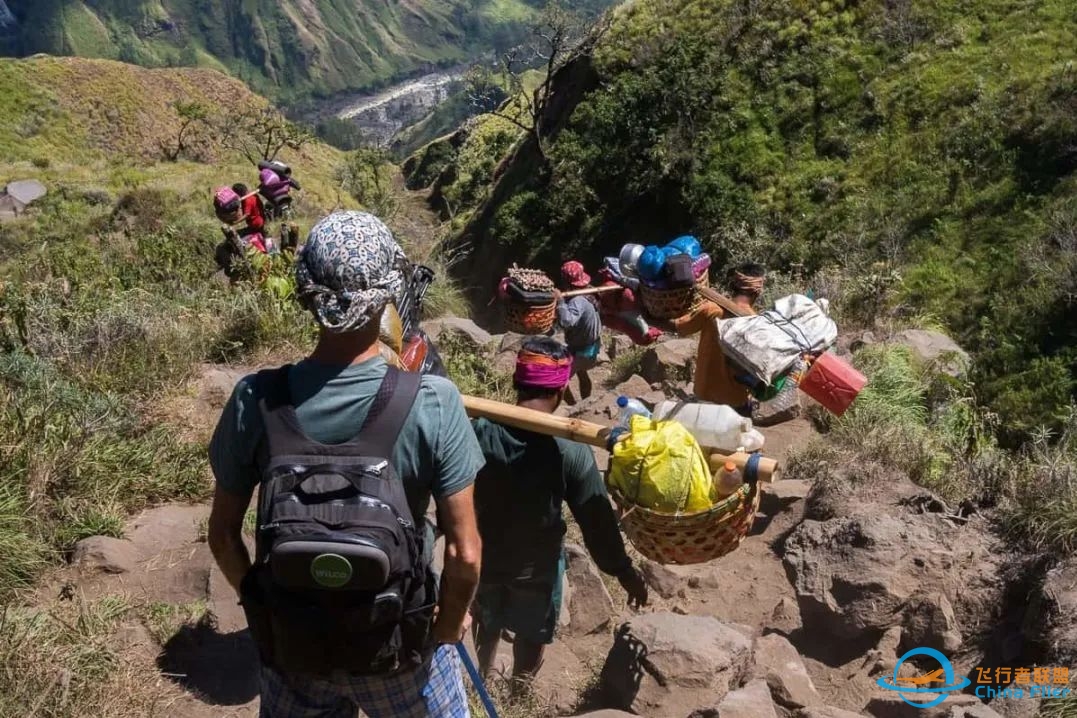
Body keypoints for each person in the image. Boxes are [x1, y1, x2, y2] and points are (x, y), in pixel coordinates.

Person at [207, 211, 483, 718]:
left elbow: (223, 537)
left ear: (307, 292)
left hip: (294, 648)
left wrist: (260, 609)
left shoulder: (254, 399)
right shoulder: (434, 400)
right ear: (386, 296)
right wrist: (448, 624)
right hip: (399, 650)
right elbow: (465, 555)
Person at [470, 337, 648, 687]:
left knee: (485, 620)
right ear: (564, 388)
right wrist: (623, 571)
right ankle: (520, 691)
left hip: (483, 560)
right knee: (533, 633)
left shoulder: (478, 431)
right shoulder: (569, 451)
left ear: (515, 382)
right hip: (536, 569)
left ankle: (482, 679)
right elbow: (596, 522)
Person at [666, 263, 766, 416]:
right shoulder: (757, 324)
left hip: (704, 394)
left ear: (734, 284)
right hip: (735, 401)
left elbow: (678, 328)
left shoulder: (711, 309)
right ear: (757, 291)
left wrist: (646, 316)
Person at [554, 260, 602, 402]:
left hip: (584, 351)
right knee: (581, 372)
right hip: (590, 346)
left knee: (560, 382)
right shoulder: (590, 292)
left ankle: (574, 406)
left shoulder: (578, 300)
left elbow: (567, 322)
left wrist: (560, 301)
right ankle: (587, 402)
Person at [595, 267, 661, 346]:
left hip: (617, 304)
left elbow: (624, 326)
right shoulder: (642, 321)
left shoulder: (639, 325)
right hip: (619, 301)